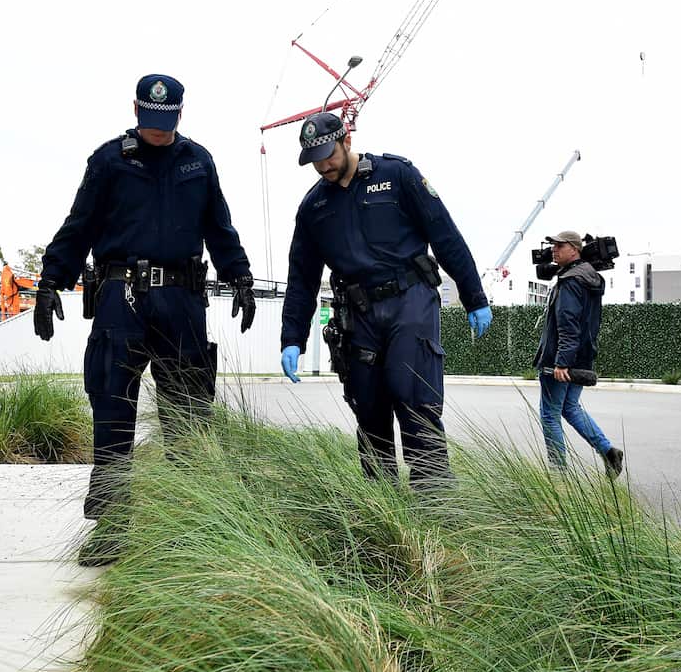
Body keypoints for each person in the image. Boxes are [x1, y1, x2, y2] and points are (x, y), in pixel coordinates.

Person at [34, 73, 256, 566]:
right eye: (151, 121)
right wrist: (51, 281)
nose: (159, 130)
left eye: (168, 121)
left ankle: (185, 526)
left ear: (180, 114)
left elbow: (219, 227)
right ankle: (111, 529)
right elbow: (79, 225)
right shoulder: (109, 160)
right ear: (136, 111)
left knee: (188, 415)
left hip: (182, 300)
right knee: (113, 412)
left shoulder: (199, 162)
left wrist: (239, 275)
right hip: (121, 296)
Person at [279, 111, 492, 488]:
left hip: (410, 300)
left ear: (346, 141)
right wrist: (292, 338)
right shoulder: (313, 208)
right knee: (369, 409)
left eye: (328, 154)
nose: (323, 165)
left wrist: (474, 295)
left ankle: (436, 504)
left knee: (413, 398)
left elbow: (445, 235)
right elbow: (302, 279)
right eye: (314, 160)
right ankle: (383, 510)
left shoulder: (397, 176)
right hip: (357, 314)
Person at [534, 230, 624, 477]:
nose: (554, 249)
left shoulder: (571, 281)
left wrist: (561, 362)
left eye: (559, 246)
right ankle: (609, 452)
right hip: (583, 355)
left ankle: (559, 475)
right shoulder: (588, 276)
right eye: (552, 245)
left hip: (561, 359)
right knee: (570, 407)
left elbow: (568, 324)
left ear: (574, 249)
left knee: (550, 414)